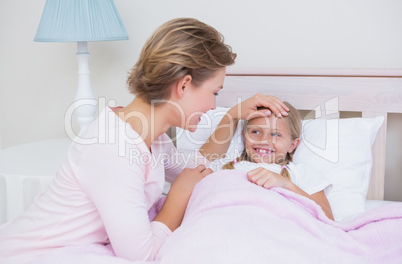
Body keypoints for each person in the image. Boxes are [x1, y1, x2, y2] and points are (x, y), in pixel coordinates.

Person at [0, 18, 289, 263]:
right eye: (215, 92)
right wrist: (177, 195)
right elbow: (142, 255)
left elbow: (195, 169)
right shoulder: (115, 147)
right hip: (37, 254)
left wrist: (232, 118)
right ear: (184, 85)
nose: (214, 106)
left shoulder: (150, 133)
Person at [201, 102, 334, 220]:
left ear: (293, 145)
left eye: (276, 134)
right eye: (255, 132)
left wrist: (286, 185)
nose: (264, 140)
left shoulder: (300, 172)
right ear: (244, 136)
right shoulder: (223, 167)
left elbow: (327, 218)